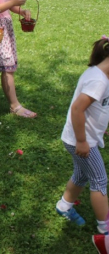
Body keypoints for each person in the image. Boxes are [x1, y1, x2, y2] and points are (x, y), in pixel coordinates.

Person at [56, 36, 109, 234]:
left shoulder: (103, 74)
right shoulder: (98, 80)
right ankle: (106, 232)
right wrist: (81, 141)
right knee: (99, 181)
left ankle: (64, 206)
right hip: (80, 140)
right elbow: (77, 109)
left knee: (81, 175)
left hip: (84, 137)